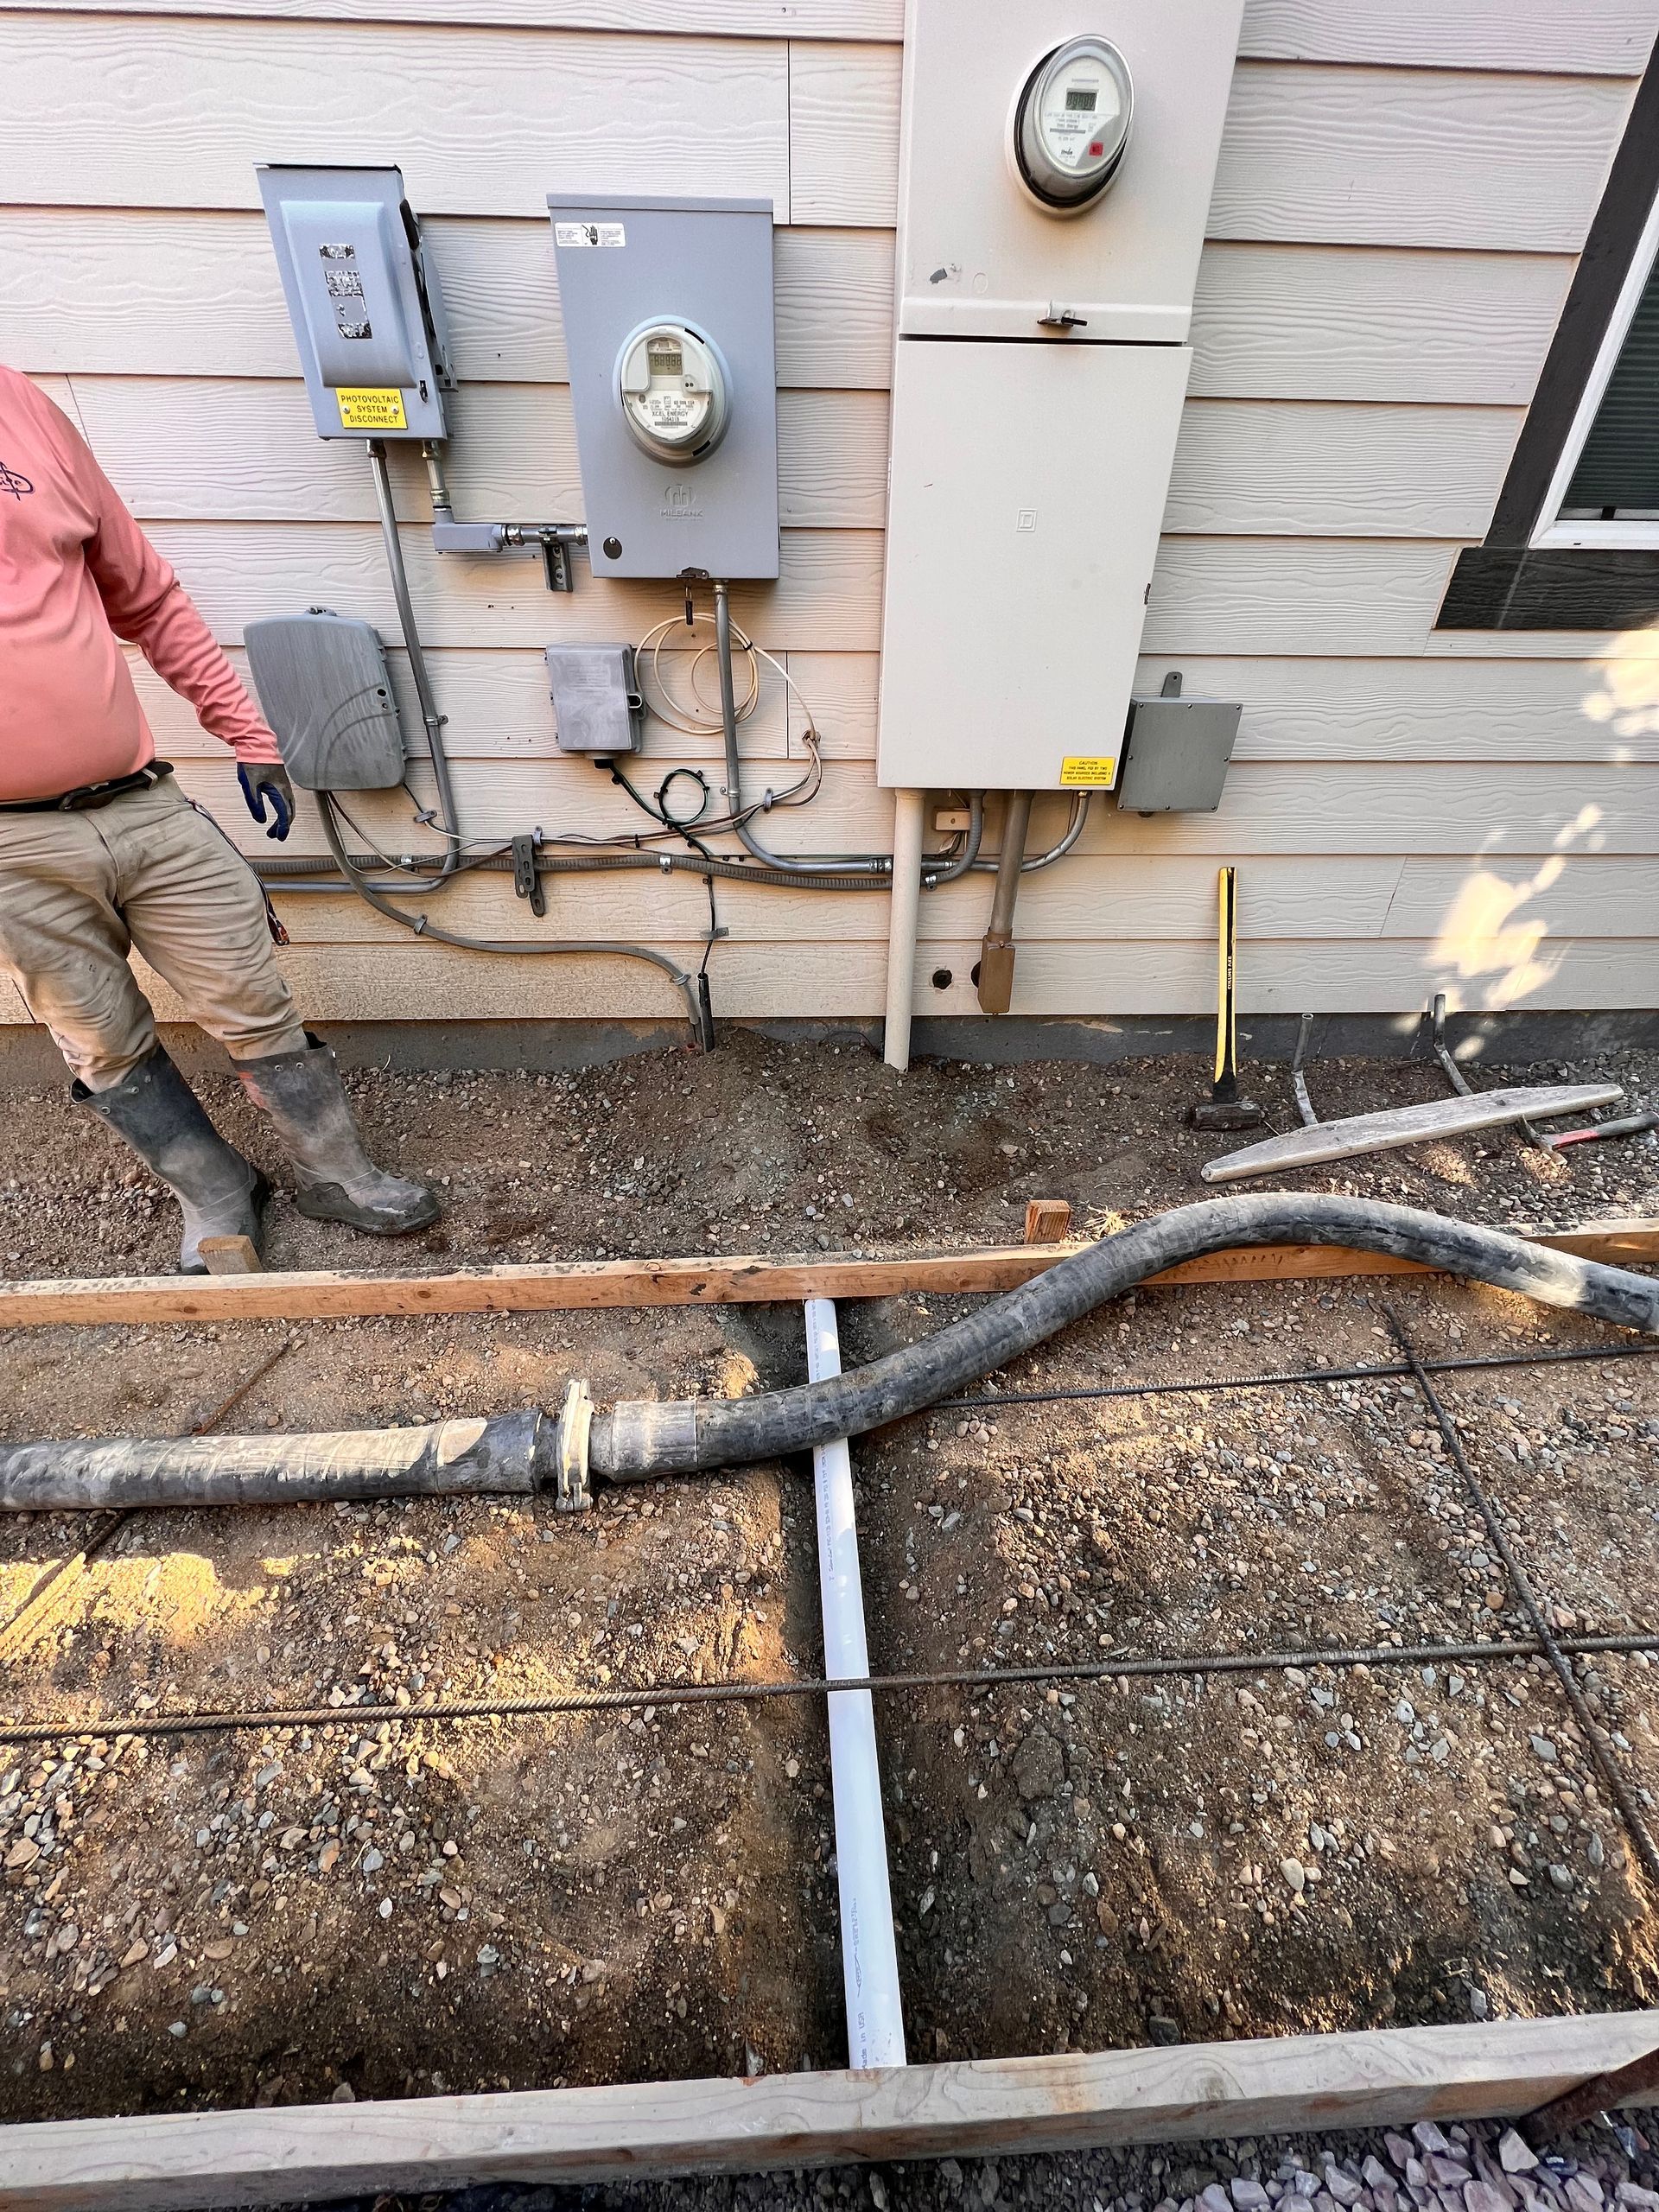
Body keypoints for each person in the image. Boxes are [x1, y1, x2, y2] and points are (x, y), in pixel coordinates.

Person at [0, 363, 438, 1271]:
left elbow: (146, 596)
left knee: (251, 995)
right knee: (100, 1039)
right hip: (9, 848)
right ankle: (215, 1191)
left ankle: (336, 1173)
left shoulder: (20, 407)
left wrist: (247, 731)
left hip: (139, 801)